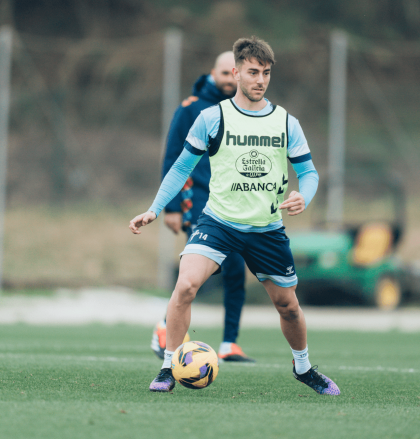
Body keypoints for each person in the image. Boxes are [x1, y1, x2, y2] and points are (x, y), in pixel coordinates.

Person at [130, 36, 340, 396]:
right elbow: (181, 169)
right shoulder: (211, 118)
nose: (260, 80)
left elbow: (310, 173)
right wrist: (154, 208)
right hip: (219, 222)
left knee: (288, 306)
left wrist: (303, 196)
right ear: (236, 73)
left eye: (266, 73)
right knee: (185, 286)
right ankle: (168, 367)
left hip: (267, 228)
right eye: (253, 72)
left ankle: (303, 368)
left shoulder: (286, 123)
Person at [150, 51, 254, 363]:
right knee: (201, 273)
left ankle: (229, 344)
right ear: (213, 74)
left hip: (233, 203)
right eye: (224, 73)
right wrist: (169, 208)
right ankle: (165, 327)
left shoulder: (244, 109)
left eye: (233, 74)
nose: (228, 79)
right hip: (194, 201)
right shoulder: (191, 108)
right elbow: (172, 157)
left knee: (236, 270)